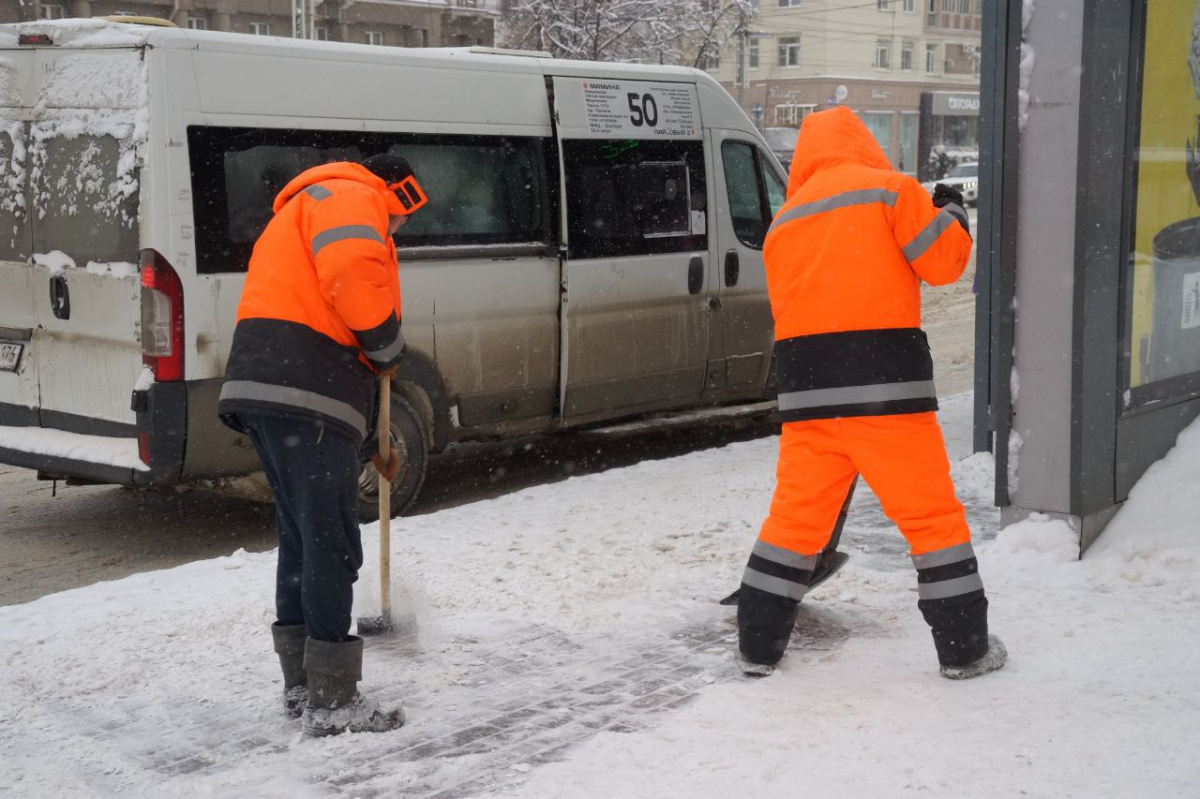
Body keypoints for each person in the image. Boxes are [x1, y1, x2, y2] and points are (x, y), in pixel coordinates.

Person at [735, 106, 1006, 680]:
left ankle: (757, 647)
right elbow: (944, 264)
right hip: (886, 394)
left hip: (808, 401)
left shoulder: (784, 221)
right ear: (864, 143)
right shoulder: (889, 192)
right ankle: (964, 649)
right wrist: (952, 212)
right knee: (930, 519)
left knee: (793, 522)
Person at [217, 153, 429, 735]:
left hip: (268, 388)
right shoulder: (351, 195)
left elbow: (313, 298)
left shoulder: (304, 205)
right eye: (400, 218)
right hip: (304, 387)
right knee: (331, 542)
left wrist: (365, 438)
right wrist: (387, 344)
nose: (396, 230)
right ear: (395, 189)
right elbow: (350, 274)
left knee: (303, 540)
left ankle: (302, 685)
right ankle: (333, 701)